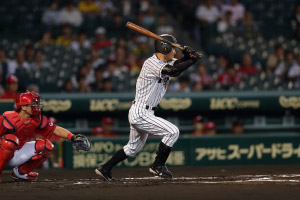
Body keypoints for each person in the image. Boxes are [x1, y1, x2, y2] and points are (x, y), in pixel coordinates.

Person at [95, 34, 201, 181]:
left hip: (144, 112)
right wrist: (191, 59)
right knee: (173, 132)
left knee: (133, 148)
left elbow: (177, 65)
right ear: (165, 47)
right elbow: (173, 71)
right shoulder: (151, 62)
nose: (175, 51)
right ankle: (158, 165)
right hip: (141, 112)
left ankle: (105, 168)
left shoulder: (166, 61)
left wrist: (190, 57)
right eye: (174, 48)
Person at [0, 91, 90, 182]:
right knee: (10, 140)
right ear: (23, 107)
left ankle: (20, 173)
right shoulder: (8, 118)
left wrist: (73, 137)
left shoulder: (36, 120)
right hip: (2, 152)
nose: (37, 106)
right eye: (33, 104)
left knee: (47, 146)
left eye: (36, 103)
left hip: (16, 153)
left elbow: (56, 129)